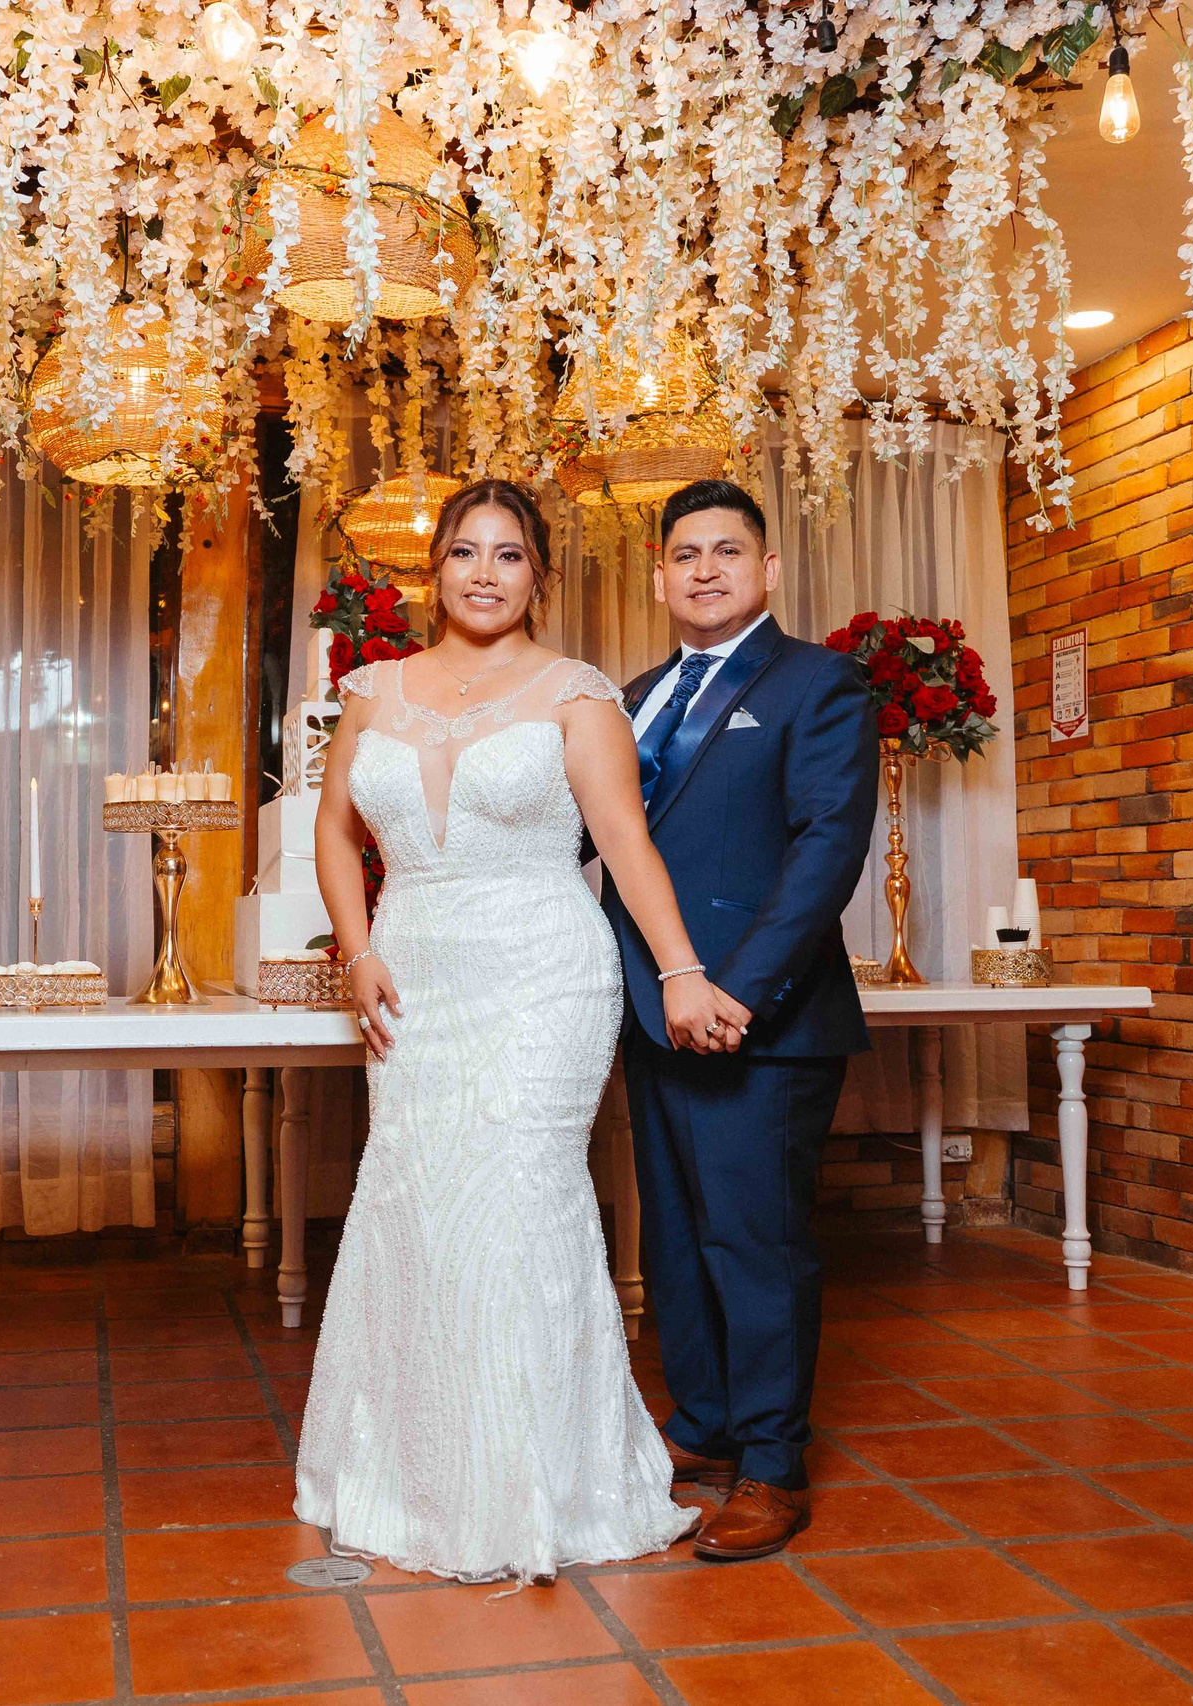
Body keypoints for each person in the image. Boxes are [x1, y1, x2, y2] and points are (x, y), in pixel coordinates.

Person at [294, 478, 740, 1583]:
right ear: (433, 570)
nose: (484, 572)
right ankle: (415, 1472)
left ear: (538, 574)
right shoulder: (372, 691)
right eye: (463, 553)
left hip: (544, 970)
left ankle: (545, 1476)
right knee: (414, 1199)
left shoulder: (576, 693)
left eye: (507, 554)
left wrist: (680, 969)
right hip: (414, 975)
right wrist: (356, 950)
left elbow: (627, 845)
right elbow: (334, 831)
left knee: (522, 1196)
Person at [601, 478, 878, 1559]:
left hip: (763, 1015)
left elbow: (823, 851)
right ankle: (705, 1422)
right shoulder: (631, 696)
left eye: (726, 550)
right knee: (673, 1234)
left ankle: (770, 1461)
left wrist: (736, 987)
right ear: (661, 575)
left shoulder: (820, 682)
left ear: (766, 570)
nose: (703, 568)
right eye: (684, 554)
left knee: (754, 1240)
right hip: (649, 1010)